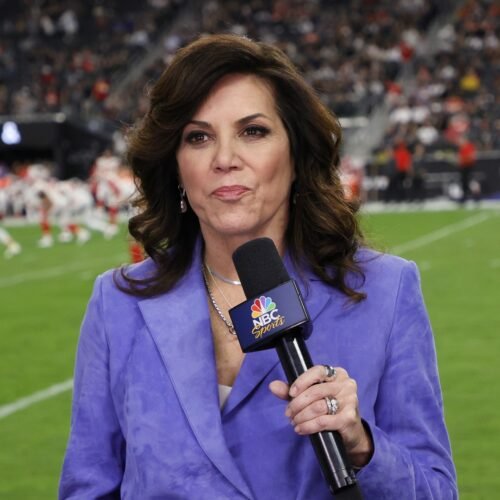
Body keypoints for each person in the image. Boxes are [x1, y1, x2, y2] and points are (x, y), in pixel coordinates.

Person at [59, 34, 457, 499]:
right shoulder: (118, 302)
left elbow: (436, 490)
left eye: (253, 131)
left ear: (296, 154)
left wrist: (363, 446)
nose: (225, 160)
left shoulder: (385, 290)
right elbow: (87, 488)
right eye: (198, 137)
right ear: (176, 165)